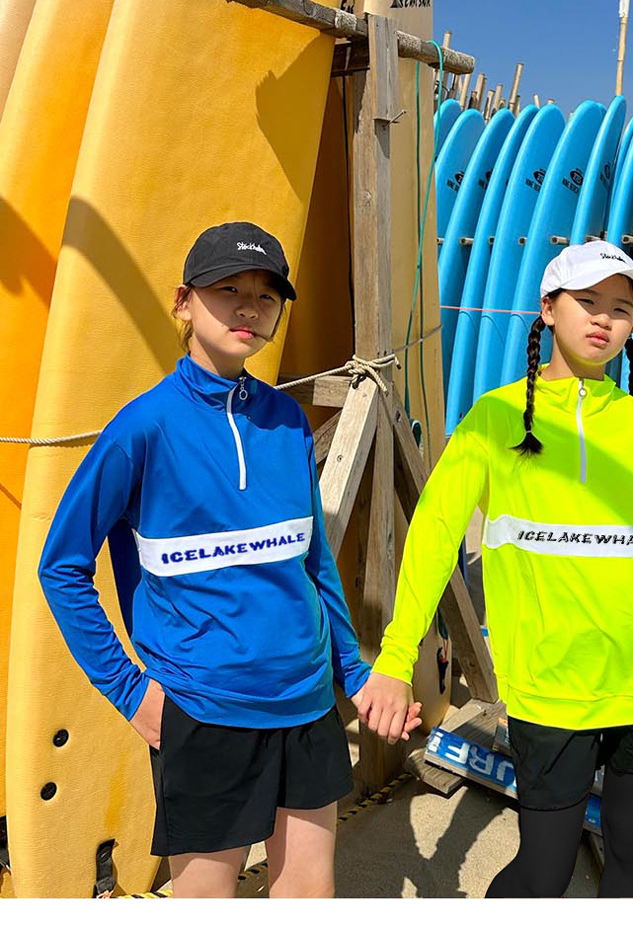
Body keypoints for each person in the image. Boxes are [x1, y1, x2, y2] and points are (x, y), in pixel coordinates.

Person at [357, 240, 633, 897]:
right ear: (548, 308)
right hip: (552, 686)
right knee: (543, 869)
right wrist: (395, 656)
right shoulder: (494, 419)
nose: (604, 318)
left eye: (621, 308)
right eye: (588, 301)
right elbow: (433, 537)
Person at [38, 221, 420, 898]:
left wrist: (354, 673)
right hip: (203, 711)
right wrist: (130, 692)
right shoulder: (142, 428)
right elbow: (61, 566)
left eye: (267, 295)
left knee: (309, 897)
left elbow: (314, 564)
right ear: (184, 301)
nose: (249, 307)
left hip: (307, 703)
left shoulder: (287, 420)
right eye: (228, 290)